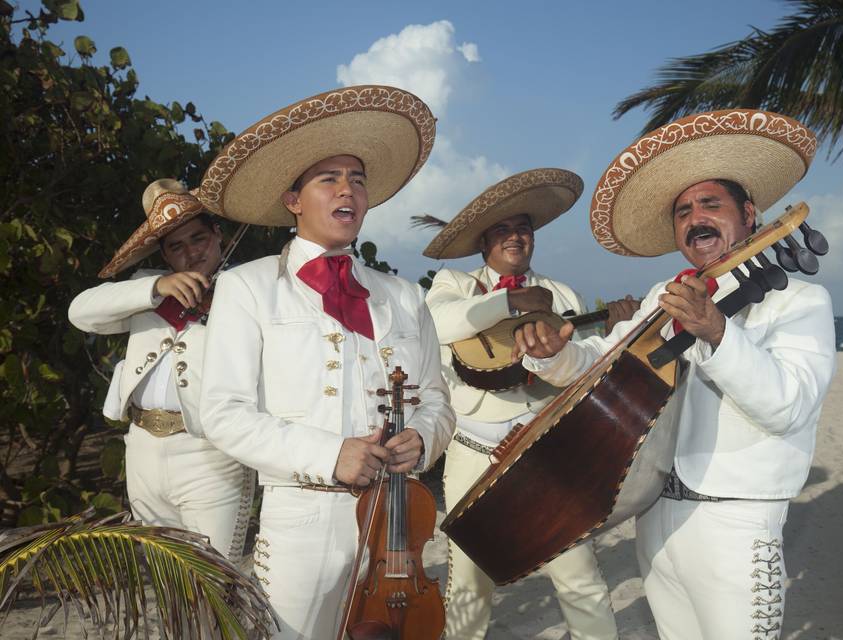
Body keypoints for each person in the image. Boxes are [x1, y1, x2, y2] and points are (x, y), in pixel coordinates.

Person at [515, 110, 836, 640]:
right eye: (683, 211)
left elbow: (787, 407)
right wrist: (550, 355)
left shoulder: (800, 301)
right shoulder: (667, 294)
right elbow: (605, 365)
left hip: (738, 524)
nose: (695, 218)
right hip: (658, 517)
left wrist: (716, 333)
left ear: (749, 213)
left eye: (711, 204)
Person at [196, 85, 454, 640]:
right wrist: (329, 454)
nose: (348, 190)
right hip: (300, 517)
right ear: (293, 200)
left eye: (357, 179)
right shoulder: (247, 287)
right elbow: (221, 412)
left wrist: (425, 436)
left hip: (398, 520)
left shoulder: (404, 295)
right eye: (328, 179)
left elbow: (436, 399)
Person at [421, 169, 618, 640]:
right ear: (484, 241)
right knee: (469, 581)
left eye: (524, 228)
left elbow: (585, 367)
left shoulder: (562, 294)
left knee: (579, 576)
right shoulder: (454, 282)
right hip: (472, 448)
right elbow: (437, 323)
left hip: (542, 449)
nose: (516, 236)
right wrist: (509, 303)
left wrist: (616, 325)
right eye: (504, 229)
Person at [68, 179, 255, 563]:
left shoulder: (248, 290)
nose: (191, 253)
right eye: (177, 246)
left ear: (218, 235)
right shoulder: (146, 290)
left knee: (217, 580)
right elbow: (80, 312)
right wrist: (157, 286)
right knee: (165, 576)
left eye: (199, 238)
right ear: (165, 255)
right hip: (141, 449)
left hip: (210, 455)